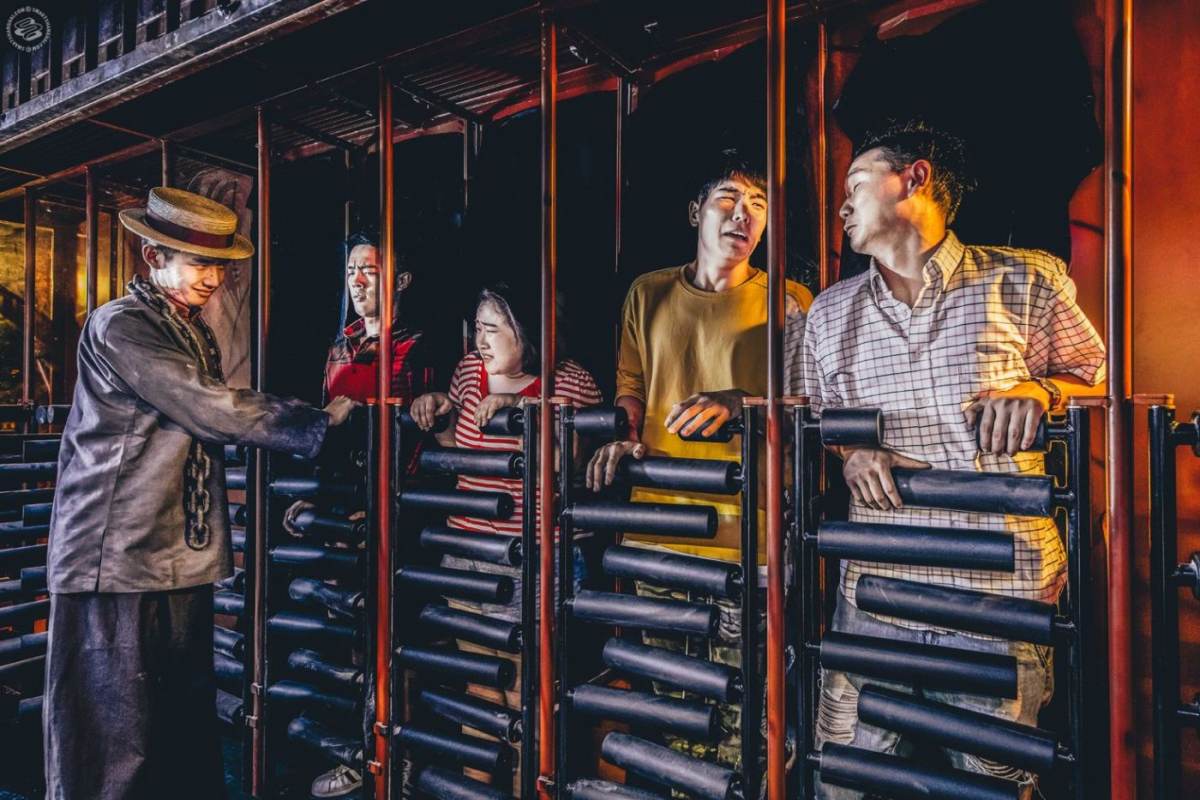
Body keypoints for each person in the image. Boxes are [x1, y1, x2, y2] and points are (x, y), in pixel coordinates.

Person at [786, 121, 1106, 799]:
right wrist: (851, 451)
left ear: (915, 178)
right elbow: (820, 421)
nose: (841, 205)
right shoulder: (828, 312)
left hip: (999, 600)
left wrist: (1041, 392)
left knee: (994, 785)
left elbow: (1097, 380)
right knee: (844, 779)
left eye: (855, 183)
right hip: (873, 593)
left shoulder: (1025, 278)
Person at [43, 187, 356, 800]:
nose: (213, 278)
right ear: (152, 255)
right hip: (111, 558)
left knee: (176, 729)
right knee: (114, 741)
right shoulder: (122, 324)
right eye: (198, 263)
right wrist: (317, 422)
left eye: (219, 265)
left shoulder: (186, 327)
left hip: (171, 556)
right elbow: (210, 406)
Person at [585, 162, 813, 773]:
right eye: (728, 198)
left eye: (758, 204)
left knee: (738, 719)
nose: (744, 214)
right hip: (655, 534)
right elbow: (631, 385)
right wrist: (624, 438)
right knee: (671, 711)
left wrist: (741, 402)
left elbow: (811, 402)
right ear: (695, 212)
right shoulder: (647, 292)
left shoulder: (790, 300)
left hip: (745, 542)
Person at [411, 282, 602, 795]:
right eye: (478, 327)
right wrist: (438, 414)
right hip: (467, 550)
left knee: (522, 692)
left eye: (493, 329)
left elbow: (574, 469)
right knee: (478, 683)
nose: (481, 340)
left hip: (531, 557)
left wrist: (522, 415)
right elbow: (459, 452)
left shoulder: (570, 380)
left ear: (529, 331)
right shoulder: (467, 372)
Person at [281, 231, 432, 798]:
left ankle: (402, 766)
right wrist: (315, 497)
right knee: (351, 638)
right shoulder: (340, 345)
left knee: (399, 642)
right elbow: (329, 431)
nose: (358, 280)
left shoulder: (419, 345)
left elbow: (418, 433)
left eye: (370, 269)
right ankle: (359, 758)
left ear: (401, 280)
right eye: (351, 270)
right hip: (342, 513)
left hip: (398, 514)